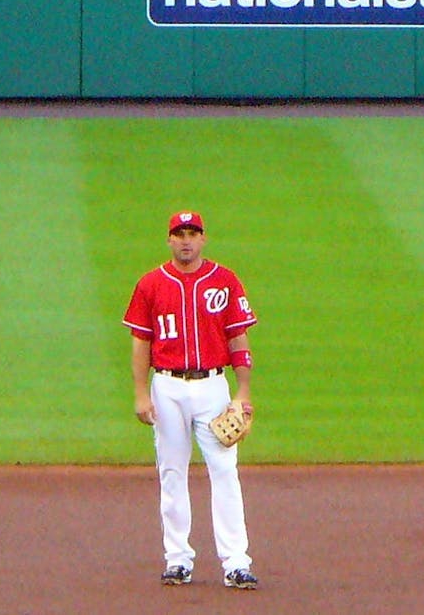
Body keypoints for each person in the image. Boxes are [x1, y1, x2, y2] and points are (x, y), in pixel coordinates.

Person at [122, 211, 259, 589]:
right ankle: (178, 559)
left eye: (192, 234)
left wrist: (242, 391)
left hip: (213, 385)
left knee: (225, 471)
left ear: (203, 239)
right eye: (179, 234)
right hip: (166, 388)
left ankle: (235, 562)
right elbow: (141, 343)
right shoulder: (150, 284)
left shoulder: (225, 280)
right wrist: (140, 393)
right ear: (169, 240)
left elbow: (238, 339)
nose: (186, 240)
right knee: (171, 471)